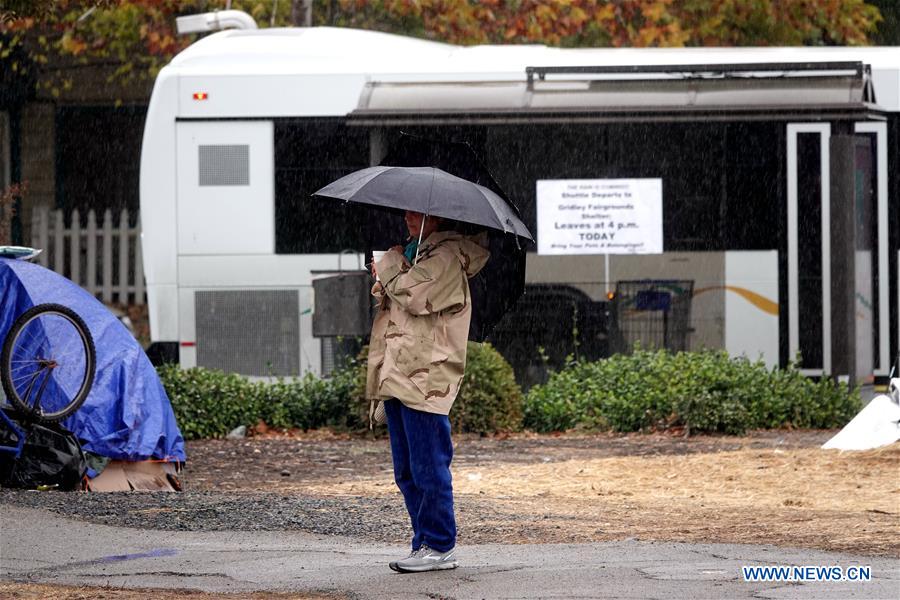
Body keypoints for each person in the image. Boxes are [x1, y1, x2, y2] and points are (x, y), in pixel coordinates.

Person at [367, 210, 489, 573]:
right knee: (406, 471)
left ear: (439, 216)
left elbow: (415, 295)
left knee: (428, 466)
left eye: (417, 211)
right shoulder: (416, 254)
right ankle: (423, 543)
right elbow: (400, 303)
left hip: (425, 380)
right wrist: (387, 271)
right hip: (399, 373)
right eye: (406, 209)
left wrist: (390, 265)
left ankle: (439, 544)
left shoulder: (448, 256)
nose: (407, 216)